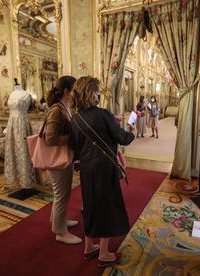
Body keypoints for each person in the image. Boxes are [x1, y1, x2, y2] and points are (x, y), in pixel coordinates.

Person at [70, 76, 135, 267]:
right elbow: (122, 138)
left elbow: (75, 148)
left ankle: (89, 247)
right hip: (104, 167)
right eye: (97, 90)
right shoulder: (102, 113)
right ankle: (104, 253)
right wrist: (132, 131)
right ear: (91, 92)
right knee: (107, 205)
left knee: (90, 204)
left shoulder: (75, 117)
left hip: (87, 168)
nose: (99, 93)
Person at [44, 76, 82, 244]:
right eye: (74, 90)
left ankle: (59, 221)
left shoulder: (64, 107)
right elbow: (50, 139)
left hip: (62, 158)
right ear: (67, 91)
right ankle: (60, 232)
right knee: (62, 195)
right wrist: (71, 138)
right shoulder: (57, 110)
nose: (76, 93)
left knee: (61, 194)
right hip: (57, 160)